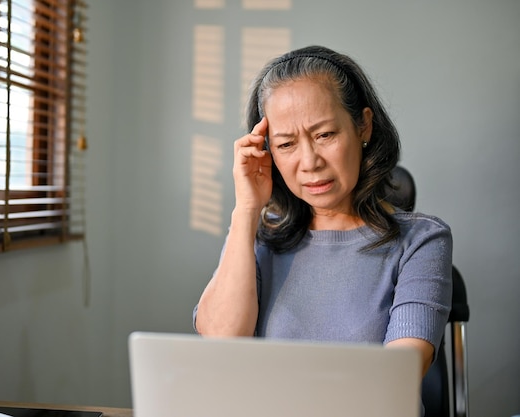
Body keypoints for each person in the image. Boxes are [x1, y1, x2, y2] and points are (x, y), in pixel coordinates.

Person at [193, 45, 453, 382]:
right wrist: (246, 210)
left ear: (364, 126)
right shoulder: (258, 240)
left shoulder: (421, 241)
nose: (310, 162)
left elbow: (396, 378)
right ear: (267, 150)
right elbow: (220, 347)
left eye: (325, 135)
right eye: (286, 144)